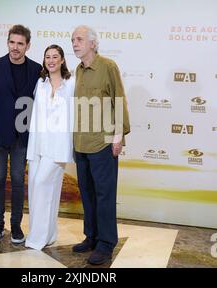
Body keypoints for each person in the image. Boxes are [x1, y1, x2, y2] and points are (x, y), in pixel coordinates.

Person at [70, 25, 130, 265]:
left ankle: (106, 244)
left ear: (93, 43)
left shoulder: (108, 66)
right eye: (73, 39)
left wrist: (118, 136)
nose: (74, 43)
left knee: (105, 195)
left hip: (103, 143)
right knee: (87, 193)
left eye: (80, 39)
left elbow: (119, 100)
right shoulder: (78, 69)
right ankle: (91, 236)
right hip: (81, 143)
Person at [0, 25, 41, 244]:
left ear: (27, 46)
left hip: (23, 137)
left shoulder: (36, 69)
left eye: (20, 43)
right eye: (12, 42)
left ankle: (16, 226)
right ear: (7, 43)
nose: (15, 47)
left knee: (17, 180)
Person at [25, 45, 75, 250]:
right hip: (38, 145)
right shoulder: (40, 83)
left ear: (62, 60)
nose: (51, 60)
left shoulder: (71, 83)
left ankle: (37, 238)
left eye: (55, 56)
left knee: (42, 185)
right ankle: (50, 234)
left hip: (58, 148)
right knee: (38, 190)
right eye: (48, 57)